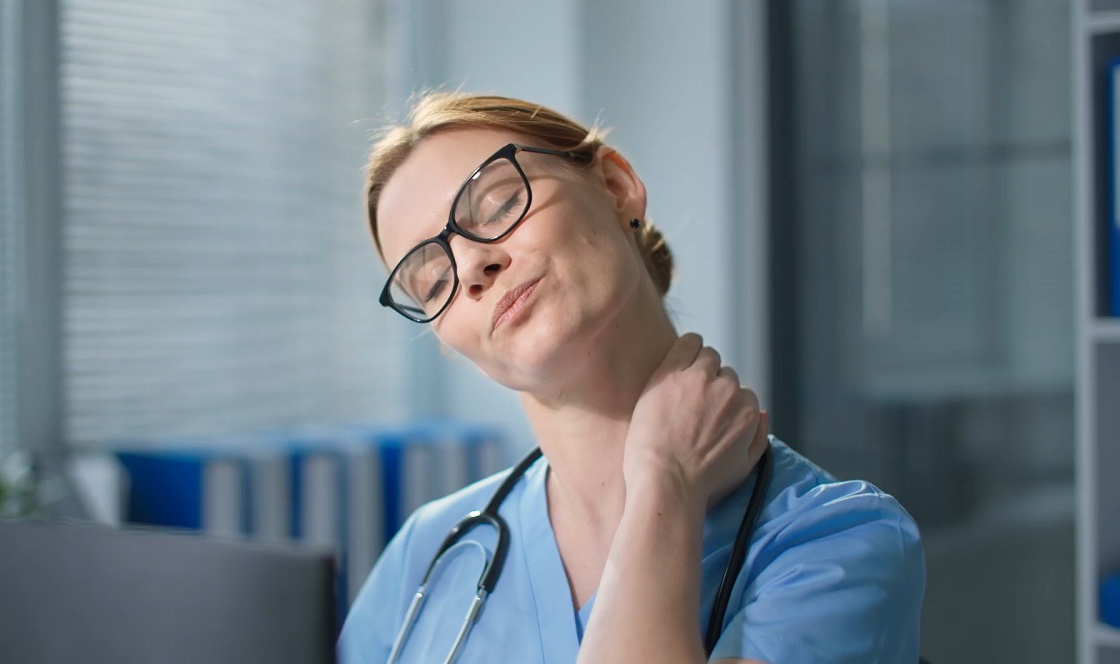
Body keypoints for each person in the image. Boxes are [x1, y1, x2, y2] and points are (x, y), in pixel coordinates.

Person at [338, 92, 925, 663]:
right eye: (433, 282)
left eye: (496, 205)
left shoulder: (838, 544)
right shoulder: (430, 553)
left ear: (617, 187)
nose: (470, 267)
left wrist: (664, 482)